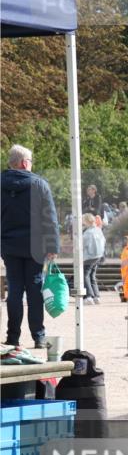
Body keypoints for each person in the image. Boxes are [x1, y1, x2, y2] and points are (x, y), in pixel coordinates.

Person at [1, 145, 60, 349]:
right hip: (36, 246)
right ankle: (39, 336)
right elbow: (50, 219)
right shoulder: (39, 184)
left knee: (14, 290)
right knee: (35, 290)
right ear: (25, 163)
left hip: (9, 245)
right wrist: (53, 245)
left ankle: (13, 337)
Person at [81, 213, 106, 305]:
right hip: (98, 256)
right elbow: (104, 241)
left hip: (89, 257)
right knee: (92, 276)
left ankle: (89, 296)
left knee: (85, 275)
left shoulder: (87, 232)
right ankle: (97, 296)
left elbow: (82, 245)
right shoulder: (98, 230)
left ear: (86, 221)